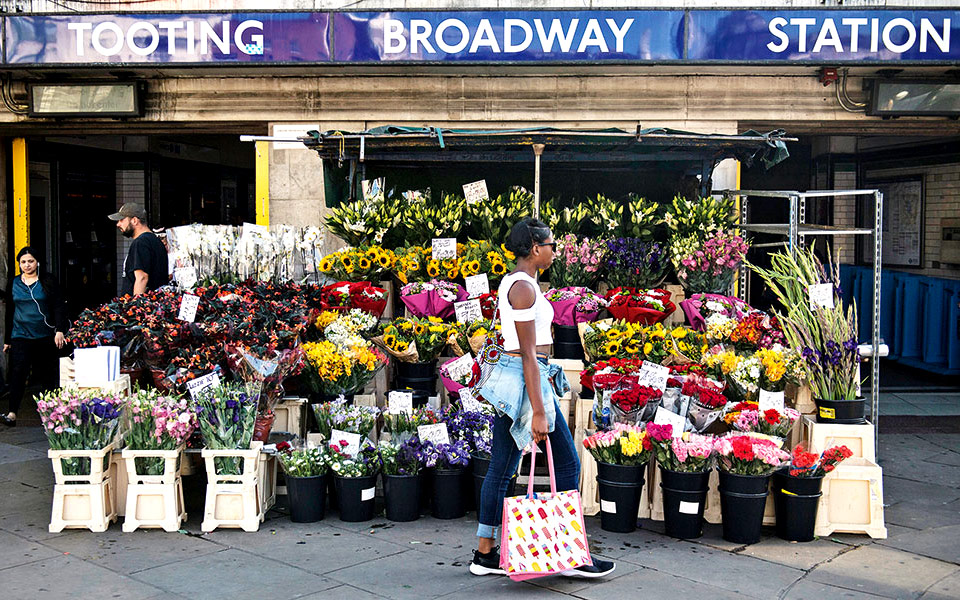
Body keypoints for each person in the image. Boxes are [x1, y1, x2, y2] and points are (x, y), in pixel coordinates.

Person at [469, 217, 615, 579]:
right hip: (526, 383)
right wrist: (538, 411)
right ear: (535, 248)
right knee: (567, 464)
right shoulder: (523, 288)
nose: (555, 250)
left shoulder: (521, 283)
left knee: (502, 468)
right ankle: (572, 555)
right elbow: (529, 354)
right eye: (550, 244)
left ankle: (485, 552)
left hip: (522, 379)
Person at [2, 247, 68, 426]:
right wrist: (8, 340)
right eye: (23, 262)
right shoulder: (14, 283)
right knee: (18, 373)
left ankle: (52, 413)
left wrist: (60, 330)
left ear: (37, 262)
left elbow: (58, 306)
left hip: (45, 335)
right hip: (21, 335)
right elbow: (10, 311)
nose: (27, 265)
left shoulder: (47, 281)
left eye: (30, 261)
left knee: (47, 375)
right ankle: (12, 412)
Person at [109, 203, 168, 296]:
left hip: (144, 306)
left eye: (121, 220)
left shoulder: (140, 243)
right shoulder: (156, 241)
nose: (118, 224)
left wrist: (135, 306)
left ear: (134, 220)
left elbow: (142, 278)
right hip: (156, 304)